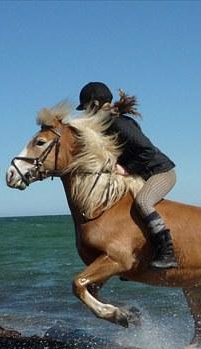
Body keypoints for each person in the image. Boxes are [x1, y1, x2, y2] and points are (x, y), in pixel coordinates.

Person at [76, 82, 178, 269]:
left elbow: (146, 149)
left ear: (95, 104)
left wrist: (127, 169)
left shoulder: (117, 123)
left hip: (161, 172)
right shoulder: (107, 123)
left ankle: (167, 252)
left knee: (143, 202)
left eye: (85, 108)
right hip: (142, 174)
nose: (84, 113)